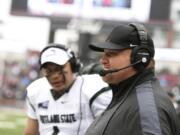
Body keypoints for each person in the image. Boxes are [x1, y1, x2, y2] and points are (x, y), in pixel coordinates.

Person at [85, 23, 180, 135]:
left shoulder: (146, 108)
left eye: (112, 54)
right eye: (104, 54)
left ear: (140, 57)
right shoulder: (128, 98)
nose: (103, 60)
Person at [23, 43, 112, 135]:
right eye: (49, 71)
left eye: (59, 68)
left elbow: (111, 129)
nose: (55, 76)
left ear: (73, 66)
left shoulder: (92, 88)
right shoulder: (36, 91)